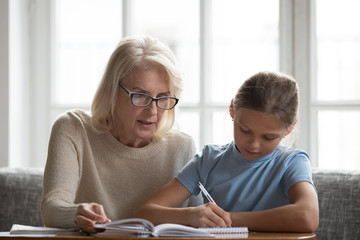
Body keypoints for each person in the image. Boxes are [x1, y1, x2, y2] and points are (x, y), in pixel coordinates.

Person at [41, 35, 201, 233]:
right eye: (141, 96)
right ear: (112, 92)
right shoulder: (74, 129)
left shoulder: (182, 147)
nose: (153, 111)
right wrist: (77, 213)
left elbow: (201, 225)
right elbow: (52, 209)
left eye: (162, 98)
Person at [132, 71, 319, 233]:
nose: (254, 145)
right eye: (245, 130)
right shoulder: (208, 161)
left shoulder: (292, 162)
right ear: (232, 110)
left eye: (268, 138)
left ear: (289, 128)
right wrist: (191, 216)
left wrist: (228, 218)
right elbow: (143, 213)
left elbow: (307, 216)